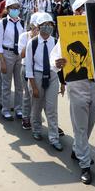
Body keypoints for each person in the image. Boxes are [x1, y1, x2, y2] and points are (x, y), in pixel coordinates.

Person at [49, 0, 95, 184]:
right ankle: (85, 164)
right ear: (77, 12)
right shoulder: (68, 33)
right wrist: (57, 63)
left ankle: (78, 150)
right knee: (80, 126)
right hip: (76, 85)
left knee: (89, 125)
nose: (88, 13)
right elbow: (53, 58)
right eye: (84, 9)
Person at [25, 13, 65, 151]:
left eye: (50, 24)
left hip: (52, 75)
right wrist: (34, 86)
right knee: (36, 105)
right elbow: (29, 66)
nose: (48, 27)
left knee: (52, 109)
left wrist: (62, 82)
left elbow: (60, 63)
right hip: (37, 76)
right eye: (44, 25)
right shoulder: (33, 43)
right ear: (38, 27)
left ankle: (54, 138)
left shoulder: (56, 42)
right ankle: (36, 129)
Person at [0, 0, 25, 121]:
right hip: (7, 54)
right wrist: (1, 61)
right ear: (7, 9)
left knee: (19, 85)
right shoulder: (2, 23)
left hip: (19, 55)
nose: (15, 10)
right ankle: (6, 110)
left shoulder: (22, 23)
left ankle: (19, 109)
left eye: (17, 7)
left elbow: (25, 41)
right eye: (12, 8)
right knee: (6, 84)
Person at [18, 12, 40, 130]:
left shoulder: (44, 38)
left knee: (39, 96)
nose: (37, 29)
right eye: (35, 27)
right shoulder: (24, 36)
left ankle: (36, 118)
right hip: (26, 68)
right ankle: (26, 117)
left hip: (39, 70)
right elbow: (21, 55)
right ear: (31, 26)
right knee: (27, 94)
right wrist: (31, 40)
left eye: (39, 27)